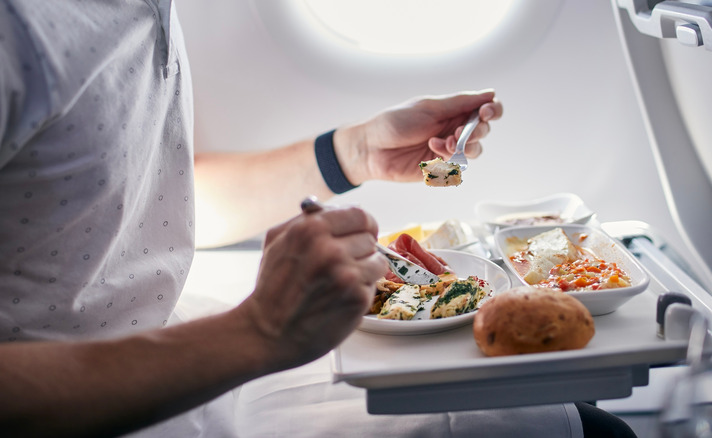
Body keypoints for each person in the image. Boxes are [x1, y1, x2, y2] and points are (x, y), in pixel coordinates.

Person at [0, 1, 636, 437]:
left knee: (567, 414)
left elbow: (139, 202)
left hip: (187, 350)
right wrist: (257, 333)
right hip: (99, 404)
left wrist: (351, 153)